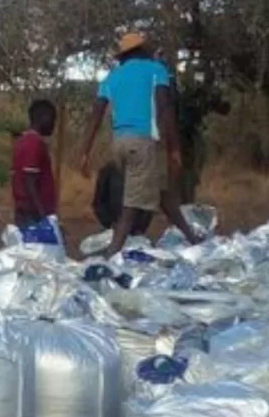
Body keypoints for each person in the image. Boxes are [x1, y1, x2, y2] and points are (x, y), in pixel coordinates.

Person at [79, 33, 200, 257]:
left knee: (158, 190)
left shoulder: (112, 78)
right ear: (142, 50)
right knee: (132, 204)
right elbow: (165, 109)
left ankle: (191, 236)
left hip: (119, 144)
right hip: (142, 142)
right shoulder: (156, 70)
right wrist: (174, 148)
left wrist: (85, 151)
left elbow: (96, 113)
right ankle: (112, 254)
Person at [11, 99, 58, 228]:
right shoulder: (34, 142)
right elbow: (29, 181)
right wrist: (43, 218)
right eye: (53, 120)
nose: (53, 125)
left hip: (26, 212)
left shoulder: (22, 141)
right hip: (33, 215)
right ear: (44, 118)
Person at [92, 160, 152, 235]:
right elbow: (99, 201)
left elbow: (148, 204)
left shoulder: (144, 173)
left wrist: (139, 228)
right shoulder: (109, 170)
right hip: (112, 227)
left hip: (136, 230)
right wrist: (109, 223)